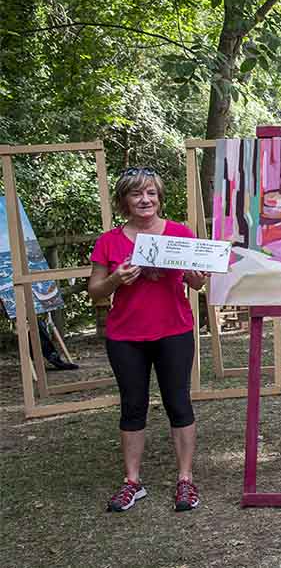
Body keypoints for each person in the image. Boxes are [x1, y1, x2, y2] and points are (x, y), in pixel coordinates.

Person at [87, 167, 207, 513]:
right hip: (125, 336)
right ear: (124, 200)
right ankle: (132, 482)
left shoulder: (180, 233)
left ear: (159, 197)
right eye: (137, 194)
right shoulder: (108, 241)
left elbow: (197, 283)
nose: (145, 199)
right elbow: (95, 291)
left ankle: (185, 480)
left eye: (151, 193)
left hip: (175, 331)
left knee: (178, 403)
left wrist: (196, 275)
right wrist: (115, 280)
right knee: (132, 405)